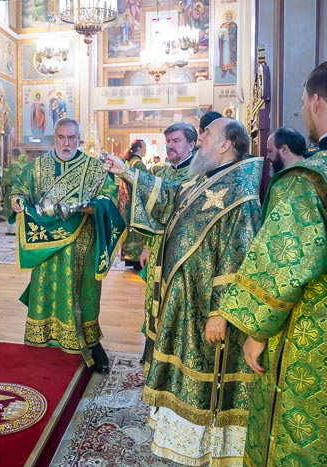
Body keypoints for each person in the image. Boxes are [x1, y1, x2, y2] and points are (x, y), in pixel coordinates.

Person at [218, 58, 327, 466]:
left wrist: (256, 331)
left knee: (303, 437)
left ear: (315, 102)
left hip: (315, 342)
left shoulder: (307, 181)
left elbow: (282, 266)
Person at [103, 118, 264, 466]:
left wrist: (221, 313)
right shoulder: (204, 179)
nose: (200, 137)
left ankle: (206, 446)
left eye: (207, 133)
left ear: (225, 145)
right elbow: (169, 197)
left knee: (202, 375)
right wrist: (127, 171)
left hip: (206, 306)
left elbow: (239, 257)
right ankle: (179, 437)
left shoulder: (240, 192)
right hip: (185, 301)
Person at [10, 118, 125, 372]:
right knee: (47, 289)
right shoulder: (37, 166)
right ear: (55, 138)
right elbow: (19, 188)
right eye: (62, 137)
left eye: (72, 138)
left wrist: (88, 207)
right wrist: (17, 201)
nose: (67, 143)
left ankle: (91, 342)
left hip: (83, 243)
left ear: (78, 139)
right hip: (47, 245)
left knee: (84, 293)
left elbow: (109, 197)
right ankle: (44, 338)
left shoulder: (94, 168)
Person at [139, 123, 198, 359]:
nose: (170, 146)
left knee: (176, 301)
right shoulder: (160, 173)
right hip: (157, 248)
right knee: (153, 298)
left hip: (182, 249)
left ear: (191, 144)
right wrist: (146, 246)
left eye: (176, 141)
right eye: (168, 141)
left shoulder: (198, 173)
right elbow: (151, 213)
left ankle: (172, 355)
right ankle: (151, 353)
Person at [119, 139, 148, 270]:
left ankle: (129, 257)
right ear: (139, 148)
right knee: (138, 231)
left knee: (130, 231)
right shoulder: (138, 164)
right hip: (137, 204)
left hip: (127, 202)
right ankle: (137, 259)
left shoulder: (129, 162)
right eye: (144, 147)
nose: (146, 150)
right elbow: (147, 183)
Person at [1, 147, 29, 233]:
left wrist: (3, 180)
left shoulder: (15, 165)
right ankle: (22, 229)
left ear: (14, 154)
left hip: (13, 190)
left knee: (12, 208)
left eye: (11, 154)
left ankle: (12, 230)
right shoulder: (25, 164)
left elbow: (10, 179)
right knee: (21, 207)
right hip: (23, 190)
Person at [218, 10, 238, 78]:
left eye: (230, 16)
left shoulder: (234, 25)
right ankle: (225, 70)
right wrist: (221, 35)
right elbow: (219, 35)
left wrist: (233, 37)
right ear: (226, 17)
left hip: (232, 43)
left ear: (232, 17)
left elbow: (237, 34)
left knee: (231, 57)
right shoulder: (223, 25)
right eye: (228, 17)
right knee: (225, 57)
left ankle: (231, 70)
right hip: (225, 44)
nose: (229, 18)